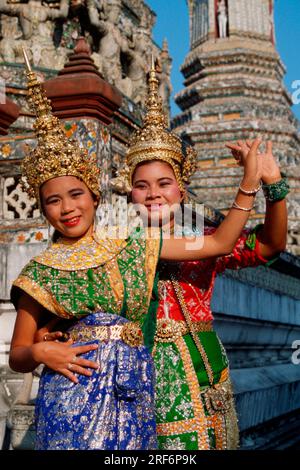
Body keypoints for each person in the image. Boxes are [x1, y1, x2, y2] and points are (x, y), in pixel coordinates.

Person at [13, 57, 266, 450]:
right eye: (53, 201)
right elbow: (20, 352)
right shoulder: (42, 271)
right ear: (42, 209)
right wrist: (41, 349)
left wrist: (251, 183)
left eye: (77, 194)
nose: (67, 208)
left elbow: (218, 243)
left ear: (96, 197)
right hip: (73, 400)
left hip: (135, 394)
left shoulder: (130, 243)